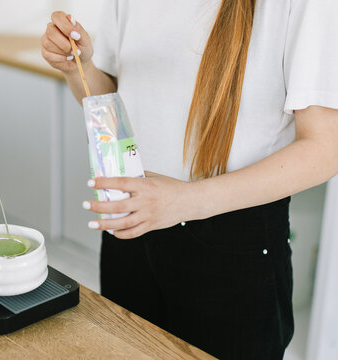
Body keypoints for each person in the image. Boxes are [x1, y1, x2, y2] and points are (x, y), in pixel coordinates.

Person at [41, 1, 338, 359]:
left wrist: (182, 201)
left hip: (234, 247)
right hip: (135, 222)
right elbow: (114, 102)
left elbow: (325, 149)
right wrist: (80, 68)